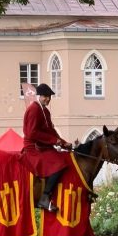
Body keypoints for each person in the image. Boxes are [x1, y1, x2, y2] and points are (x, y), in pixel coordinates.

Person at [22, 82, 73, 212]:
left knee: (65, 159)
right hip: (33, 148)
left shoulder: (45, 111)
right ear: (39, 96)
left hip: (44, 147)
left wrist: (63, 142)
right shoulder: (34, 109)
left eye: (49, 96)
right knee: (58, 164)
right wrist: (53, 140)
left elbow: (51, 130)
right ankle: (45, 198)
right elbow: (31, 133)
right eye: (45, 96)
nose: (48, 99)